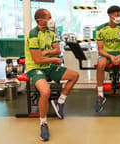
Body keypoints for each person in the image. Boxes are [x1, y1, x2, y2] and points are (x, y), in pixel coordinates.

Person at [25, 8, 79, 141]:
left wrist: (46, 54)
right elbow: (37, 60)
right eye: (49, 17)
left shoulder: (51, 32)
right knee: (45, 92)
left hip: (48, 66)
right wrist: (53, 59)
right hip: (35, 68)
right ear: (40, 20)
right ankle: (43, 123)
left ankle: (59, 102)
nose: (51, 20)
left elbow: (57, 50)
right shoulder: (33, 35)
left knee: (75, 75)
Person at [95, 5, 120, 112]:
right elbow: (100, 49)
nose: (119, 17)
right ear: (110, 15)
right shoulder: (101, 29)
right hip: (106, 54)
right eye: (117, 15)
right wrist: (111, 56)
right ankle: (100, 95)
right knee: (101, 64)